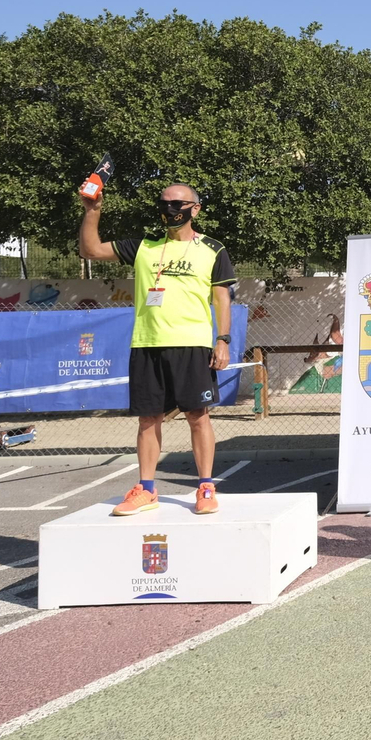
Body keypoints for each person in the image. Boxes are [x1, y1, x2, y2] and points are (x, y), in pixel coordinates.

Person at [78, 183, 234, 516]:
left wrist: (223, 339)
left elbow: (222, 297)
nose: (169, 209)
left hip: (192, 344)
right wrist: (93, 210)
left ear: (196, 208)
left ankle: (206, 486)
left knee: (198, 416)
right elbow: (90, 250)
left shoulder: (213, 249)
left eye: (177, 203)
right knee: (148, 419)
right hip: (147, 343)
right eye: (164, 203)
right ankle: (146, 489)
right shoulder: (144, 246)